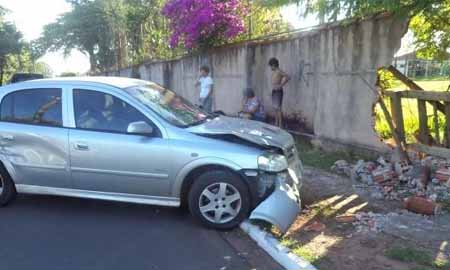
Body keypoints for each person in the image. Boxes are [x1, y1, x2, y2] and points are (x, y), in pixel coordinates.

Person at [268, 57, 290, 127]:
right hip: (274, 90)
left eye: (271, 66)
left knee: (278, 108)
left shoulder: (279, 71)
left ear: (274, 65)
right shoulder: (274, 72)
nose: (270, 67)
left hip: (278, 91)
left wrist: (281, 85)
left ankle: (280, 124)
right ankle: (276, 123)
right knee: (275, 108)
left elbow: (288, 77)